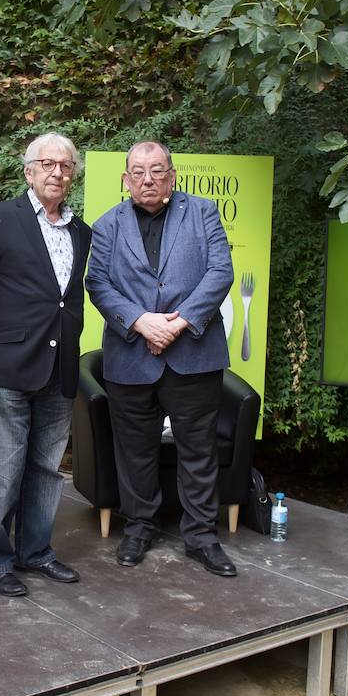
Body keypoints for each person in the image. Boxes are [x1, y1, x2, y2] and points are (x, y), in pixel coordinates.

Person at [85, 141, 237, 576]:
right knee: (134, 450)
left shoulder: (203, 212)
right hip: (131, 355)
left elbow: (220, 272)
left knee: (198, 449)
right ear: (125, 179)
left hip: (193, 353)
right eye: (138, 172)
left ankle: (202, 537)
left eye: (156, 171)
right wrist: (138, 322)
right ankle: (139, 527)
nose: (147, 179)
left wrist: (178, 322)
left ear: (172, 175)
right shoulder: (107, 225)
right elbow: (97, 283)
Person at [0, 133, 93, 597]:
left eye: (65, 166)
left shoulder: (82, 232)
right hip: (7, 366)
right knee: (2, 469)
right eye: (47, 164)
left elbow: (68, 298)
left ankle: (35, 551)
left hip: (60, 367)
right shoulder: (0, 218)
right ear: (29, 171)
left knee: (45, 468)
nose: (57, 172)